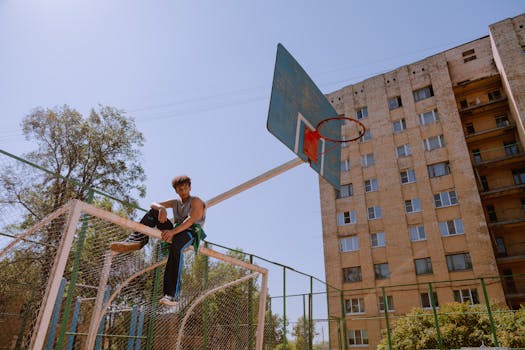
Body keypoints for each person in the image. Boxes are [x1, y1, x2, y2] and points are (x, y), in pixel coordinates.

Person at [109, 175, 206, 307]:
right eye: (180, 189)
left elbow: (190, 221)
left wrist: (172, 232)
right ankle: (137, 240)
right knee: (153, 212)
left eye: (185, 188)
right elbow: (153, 203)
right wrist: (161, 208)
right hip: (175, 231)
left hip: (190, 232)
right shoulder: (175, 202)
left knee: (176, 248)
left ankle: (171, 295)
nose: (183, 191)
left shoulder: (196, 202)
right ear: (176, 191)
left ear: (190, 188)